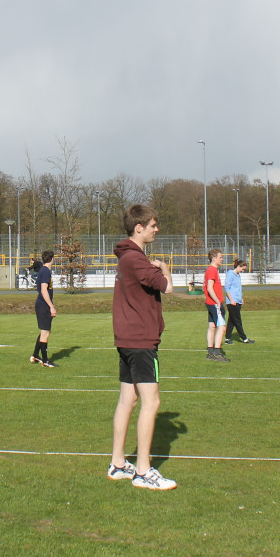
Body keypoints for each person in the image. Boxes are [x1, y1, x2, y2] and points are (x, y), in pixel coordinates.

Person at [107, 204, 177, 491]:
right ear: (139, 227)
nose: (156, 229)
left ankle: (118, 464)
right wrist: (166, 270)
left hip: (128, 340)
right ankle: (144, 471)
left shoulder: (129, 258)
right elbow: (167, 287)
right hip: (140, 342)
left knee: (128, 400)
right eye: (152, 225)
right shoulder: (135, 259)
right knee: (152, 401)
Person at [29, 250, 58, 367]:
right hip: (43, 305)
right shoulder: (45, 272)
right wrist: (51, 306)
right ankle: (45, 361)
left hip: (43, 304)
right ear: (52, 259)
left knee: (45, 331)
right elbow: (43, 290)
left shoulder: (44, 270)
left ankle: (35, 355)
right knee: (45, 332)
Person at [204, 249, 229, 361]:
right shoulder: (212, 270)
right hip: (214, 303)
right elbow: (209, 288)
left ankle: (210, 353)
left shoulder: (212, 270)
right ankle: (217, 353)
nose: (222, 259)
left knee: (212, 326)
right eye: (220, 257)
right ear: (214, 258)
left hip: (211, 303)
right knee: (222, 327)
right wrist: (217, 301)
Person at [223, 258, 254, 345]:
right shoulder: (231, 274)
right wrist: (231, 300)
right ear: (239, 266)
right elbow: (227, 288)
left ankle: (227, 338)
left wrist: (241, 299)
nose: (243, 271)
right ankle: (244, 338)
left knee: (231, 321)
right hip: (232, 302)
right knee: (237, 320)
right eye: (243, 269)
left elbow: (238, 289)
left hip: (238, 301)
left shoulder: (238, 275)